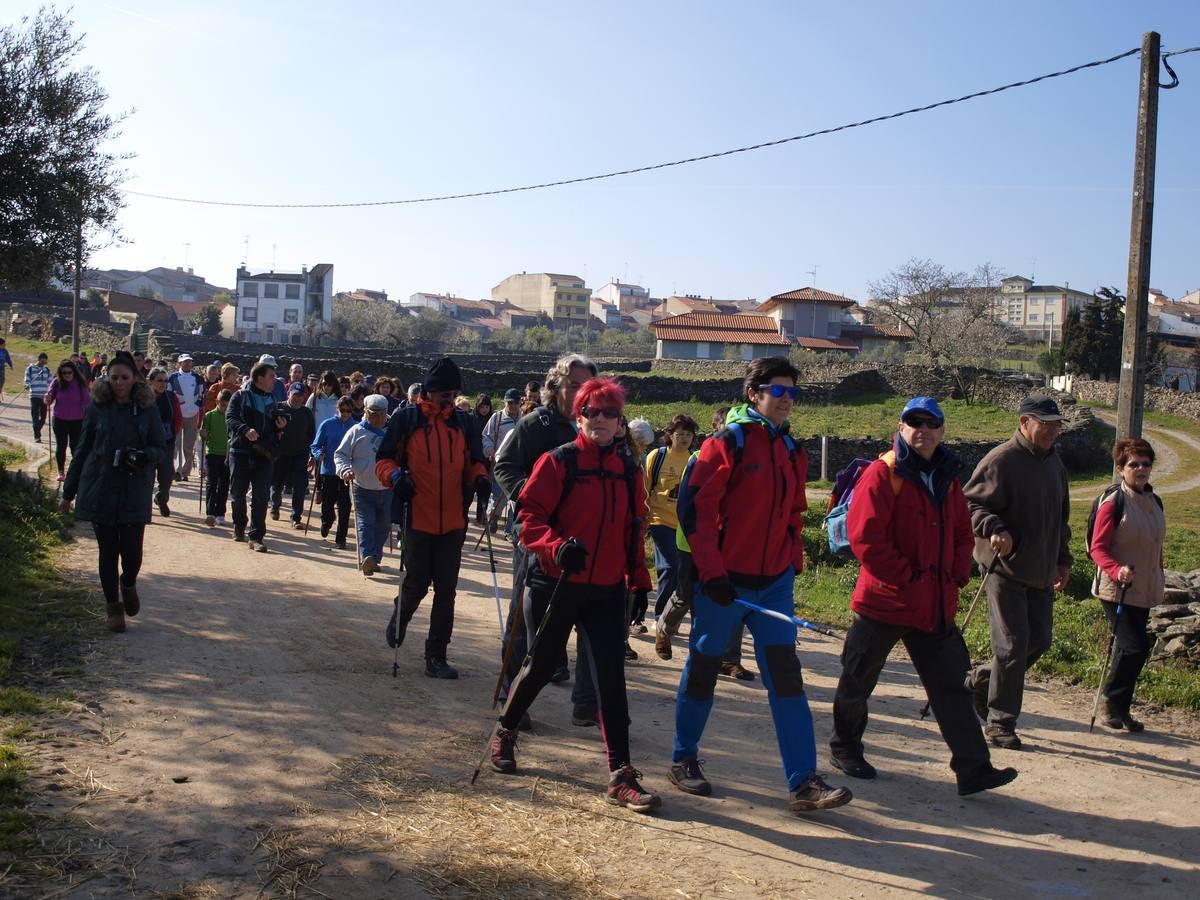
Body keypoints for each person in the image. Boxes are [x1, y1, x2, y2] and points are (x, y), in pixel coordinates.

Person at [669, 356, 852, 814]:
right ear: (754, 394)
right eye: (778, 390)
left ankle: (803, 782)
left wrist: (792, 563)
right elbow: (695, 513)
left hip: (774, 587)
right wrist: (711, 573)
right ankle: (683, 758)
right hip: (725, 585)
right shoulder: (724, 443)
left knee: (787, 679)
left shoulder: (791, 448)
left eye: (792, 391)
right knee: (705, 666)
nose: (787, 399)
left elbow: (793, 513)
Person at [488, 377, 661, 814]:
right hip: (556, 582)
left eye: (608, 413)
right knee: (542, 665)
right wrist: (555, 546)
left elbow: (631, 530)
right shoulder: (557, 461)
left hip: (604, 588)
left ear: (620, 422)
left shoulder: (626, 469)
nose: (599, 419)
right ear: (578, 416)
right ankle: (506, 730)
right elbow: (529, 517)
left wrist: (638, 582)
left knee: (610, 678)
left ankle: (621, 774)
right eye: (590, 412)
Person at [831, 397, 1020, 796]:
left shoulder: (948, 476)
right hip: (883, 601)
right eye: (913, 422)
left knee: (953, 687)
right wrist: (910, 577)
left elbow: (960, 531)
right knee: (858, 678)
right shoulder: (883, 474)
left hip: (934, 604)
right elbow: (866, 539)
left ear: (942, 431)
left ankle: (973, 769)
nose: (922, 429)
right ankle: (845, 749)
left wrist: (955, 576)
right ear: (901, 429)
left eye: (930, 422)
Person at [494, 353, 601, 725]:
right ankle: (512, 696)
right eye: (574, 385)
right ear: (556, 386)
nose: (580, 393)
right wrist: (533, 497)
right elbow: (505, 465)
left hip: (583, 540)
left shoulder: (597, 425)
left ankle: (588, 703)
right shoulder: (535, 424)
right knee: (524, 620)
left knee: (592, 619)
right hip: (537, 538)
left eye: (586, 386)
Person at [963, 394, 1072, 751]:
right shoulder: (1002, 460)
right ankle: (1000, 723)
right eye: (1047, 424)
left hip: (1040, 568)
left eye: (1057, 424)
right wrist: (995, 526)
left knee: (1039, 640)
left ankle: (980, 679)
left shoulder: (1054, 463)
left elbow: (1061, 518)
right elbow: (969, 502)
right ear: (1025, 422)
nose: (1054, 431)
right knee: (1011, 645)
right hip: (1004, 568)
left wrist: (1063, 558)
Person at [376, 357, 487, 680]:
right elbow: (383, 460)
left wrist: (479, 477)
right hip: (418, 517)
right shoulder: (407, 419)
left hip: (453, 520)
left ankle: (436, 655)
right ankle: (402, 614)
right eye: (445, 393)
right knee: (417, 582)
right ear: (429, 391)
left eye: (454, 393)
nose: (450, 398)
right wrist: (397, 478)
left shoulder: (464, 423)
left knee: (447, 589)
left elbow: (476, 461)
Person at [60, 352, 165, 632]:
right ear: (107, 377)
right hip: (101, 487)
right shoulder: (97, 408)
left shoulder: (147, 408)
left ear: (134, 379)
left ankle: (128, 582)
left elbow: (160, 446)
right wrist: (68, 492)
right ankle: (113, 609)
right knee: (108, 551)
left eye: (124, 377)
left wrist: (144, 456)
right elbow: (82, 451)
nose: (119, 382)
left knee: (132, 553)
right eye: (114, 377)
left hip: (134, 489)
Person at [1089, 437, 1166, 733]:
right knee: (1135, 647)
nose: (1141, 469)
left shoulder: (1154, 501)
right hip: (1116, 588)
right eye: (1134, 464)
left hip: (1143, 587)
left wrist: (1157, 570)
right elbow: (1097, 548)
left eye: (1146, 463)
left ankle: (1120, 710)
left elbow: (1154, 543)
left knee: (1130, 648)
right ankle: (1112, 703)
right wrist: (1116, 569)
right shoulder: (1113, 502)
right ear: (1120, 468)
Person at [226, 360, 291, 552]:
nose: (274, 380)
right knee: (238, 494)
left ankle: (256, 536)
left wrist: (280, 427)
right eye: (271, 376)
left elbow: (272, 427)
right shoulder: (240, 396)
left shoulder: (271, 400)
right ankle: (239, 525)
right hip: (241, 452)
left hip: (264, 454)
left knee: (261, 496)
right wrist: (245, 430)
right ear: (259, 378)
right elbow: (230, 418)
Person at [644, 415, 695, 629]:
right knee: (670, 566)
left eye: (688, 434)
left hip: (684, 526)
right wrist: (643, 516)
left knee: (682, 570)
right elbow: (645, 486)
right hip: (659, 520)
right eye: (679, 434)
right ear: (670, 435)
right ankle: (660, 616)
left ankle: (670, 615)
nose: (684, 438)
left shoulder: (695, 459)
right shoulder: (657, 456)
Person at [335, 393, 392, 575]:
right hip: (361, 487)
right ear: (366, 412)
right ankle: (366, 556)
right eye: (374, 414)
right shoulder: (355, 431)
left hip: (387, 488)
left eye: (382, 414)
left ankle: (375, 556)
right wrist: (344, 470)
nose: (378, 418)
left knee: (383, 526)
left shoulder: (392, 432)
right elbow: (341, 454)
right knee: (365, 523)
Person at [270, 383, 316, 528]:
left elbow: (311, 434)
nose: (297, 398)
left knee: (300, 487)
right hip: (280, 454)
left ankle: (296, 517)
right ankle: (275, 506)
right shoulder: (278, 408)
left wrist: (312, 454)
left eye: (300, 396)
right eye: (295, 395)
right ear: (288, 394)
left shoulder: (307, 413)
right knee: (277, 485)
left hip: (300, 455)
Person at [312, 397, 355, 548]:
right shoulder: (327, 424)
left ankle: (341, 538)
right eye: (343, 410)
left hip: (347, 472)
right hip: (329, 469)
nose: (345, 414)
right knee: (327, 503)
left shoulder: (355, 427)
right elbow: (316, 445)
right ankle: (327, 521)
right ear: (337, 409)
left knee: (345, 505)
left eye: (349, 411)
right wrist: (318, 455)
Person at [45, 358, 91, 482]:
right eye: (64, 373)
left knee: (75, 446)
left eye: (69, 372)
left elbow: (87, 402)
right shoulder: (56, 382)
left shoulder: (80, 384)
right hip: (60, 419)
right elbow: (49, 399)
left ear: (74, 372)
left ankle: (75, 471)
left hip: (77, 420)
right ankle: (61, 472)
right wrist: (48, 398)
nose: (67, 375)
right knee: (61, 446)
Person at [482, 388, 522, 525]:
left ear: (519, 403)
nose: (512, 405)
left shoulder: (525, 419)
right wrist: (490, 450)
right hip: (500, 464)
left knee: (516, 500)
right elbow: (486, 437)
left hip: (519, 465)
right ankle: (493, 517)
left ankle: (511, 529)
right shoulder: (497, 417)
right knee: (498, 497)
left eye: (515, 403)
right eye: (509, 402)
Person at [148, 367, 182, 517]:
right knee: (147, 478)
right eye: (159, 380)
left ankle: (161, 498)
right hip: (147, 444)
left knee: (167, 476)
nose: (163, 383)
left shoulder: (171, 397)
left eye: (165, 380)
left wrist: (174, 431)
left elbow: (178, 418)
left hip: (167, 442)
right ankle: (145, 510)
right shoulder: (143, 397)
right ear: (150, 381)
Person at [168, 354, 204, 481]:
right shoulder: (172, 377)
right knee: (177, 444)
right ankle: (176, 470)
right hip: (177, 414)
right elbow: (169, 394)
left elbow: (201, 393)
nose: (188, 364)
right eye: (185, 362)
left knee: (188, 444)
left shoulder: (197, 377)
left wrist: (197, 405)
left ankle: (185, 472)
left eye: (190, 361)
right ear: (180, 363)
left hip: (192, 414)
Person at [200, 389, 232, 527]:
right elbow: (203, 436)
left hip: (227, 454)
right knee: (211, 483)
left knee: (224, 485)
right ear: (217, 402)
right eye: (222, 404)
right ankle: (210, 513)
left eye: (227, 405)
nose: (225, 408)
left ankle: (220, 513)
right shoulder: (209, 416)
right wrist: (202, 434)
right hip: (212, 453)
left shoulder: (232, 417)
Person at [471, 394, 494, 524]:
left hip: (487, 459)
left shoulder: (493, 420)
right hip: (474, 458)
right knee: (471, 487)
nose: (484, 409)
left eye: (486, 406)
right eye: (481, 406)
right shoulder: (472, 419)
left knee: (485, 489)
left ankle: (481, 516)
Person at [23, 352, 52, 443]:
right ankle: (37, 436)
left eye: (45, 362)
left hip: (44, 396)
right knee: (35, 416)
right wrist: (27, 385)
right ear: (39, 359)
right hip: (34, 396)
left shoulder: (47, 370)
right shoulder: (30, 369)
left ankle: (37, 430)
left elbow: (51, 383)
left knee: (43, 418)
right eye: (43, 361)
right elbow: (27, 380)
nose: (44, 363)